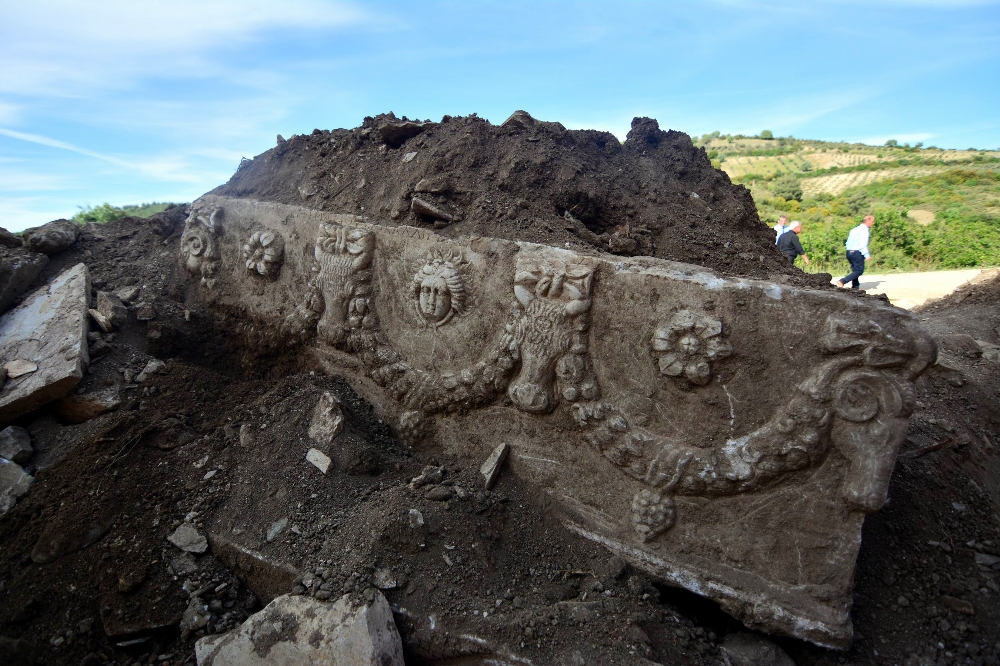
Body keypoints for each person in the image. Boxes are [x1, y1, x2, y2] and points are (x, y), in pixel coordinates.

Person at [836, 215, 875, 289]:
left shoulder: (854, 229)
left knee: (855, 270)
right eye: (872, 222)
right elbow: (863, 244)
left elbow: (848, 242)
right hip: (857, 252)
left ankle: (855, 287)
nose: (873, 224)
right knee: (859, 270)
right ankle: (842, 281)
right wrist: (867, 254)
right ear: (868, 221)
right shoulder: (864, 231)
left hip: (849, 252)